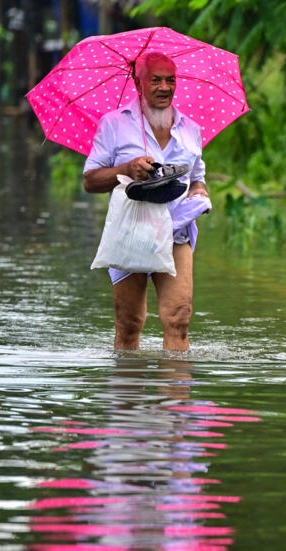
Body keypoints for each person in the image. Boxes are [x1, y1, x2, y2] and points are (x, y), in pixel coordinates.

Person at [83, 51, 210, 351]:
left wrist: (200, 191)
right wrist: (125, 170)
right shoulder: (114, 124)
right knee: (129, 323)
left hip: (176, 230)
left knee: (179, 319)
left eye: (170, 80)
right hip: (131, 231)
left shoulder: (191, 129)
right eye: (156, 80)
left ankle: (175, 396)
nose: (165, 87)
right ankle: (128, 395)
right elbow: (90, 181)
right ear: (138, 84)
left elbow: (198, 175)